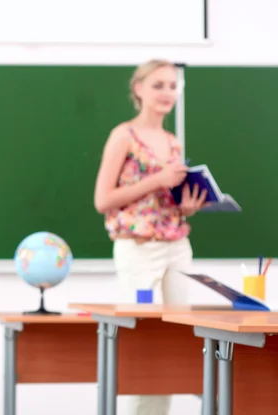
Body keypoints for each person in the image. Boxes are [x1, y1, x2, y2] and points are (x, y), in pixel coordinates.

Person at [93, 59, 207, 415]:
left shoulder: (172, 141)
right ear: (139, 89)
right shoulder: (123, 135)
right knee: (142, 338)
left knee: (176, 337)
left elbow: (167, 200)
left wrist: (186, 206)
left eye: (173, 86)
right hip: (138, 249)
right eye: (159, 85)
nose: (168, 93)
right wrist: (157, 180)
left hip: (177, 247)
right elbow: (103, 199)